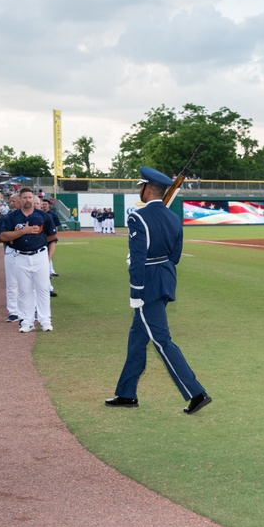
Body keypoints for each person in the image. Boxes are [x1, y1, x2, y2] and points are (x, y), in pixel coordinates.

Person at [106, 167, 211, 414]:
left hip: (147, 285)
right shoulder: (174, 217)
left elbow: (139, 258)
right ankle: (126, 393)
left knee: (162, 341)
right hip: (165, 278)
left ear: (146, 188)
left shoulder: (137, 217)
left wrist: (136, 292)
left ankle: (196, 392)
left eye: (140, 187)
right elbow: (175, 256)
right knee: (137, 341)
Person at [0, 189, 56, 332]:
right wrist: (23, 231)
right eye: (24, 197)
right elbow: (2, 236)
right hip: (20, 255)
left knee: (42, 288)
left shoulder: (43, 216)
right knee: (24, 290)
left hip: (39, 254)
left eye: (30, 197)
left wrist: (42, 250)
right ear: (20, 199)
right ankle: (27, 320)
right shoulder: (11, 218)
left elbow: (51, 237)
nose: (28, 200)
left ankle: (45, 320)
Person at [0, 194, 22, 322]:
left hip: (28, 252)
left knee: (29, 283)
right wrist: (8, 237)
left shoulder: (30, 216)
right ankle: (13, 311)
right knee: (12, 283)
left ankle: (31, 309)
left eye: (14, 201)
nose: (11, 203)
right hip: (11, 252)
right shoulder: (4, 218)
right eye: (10, 201)